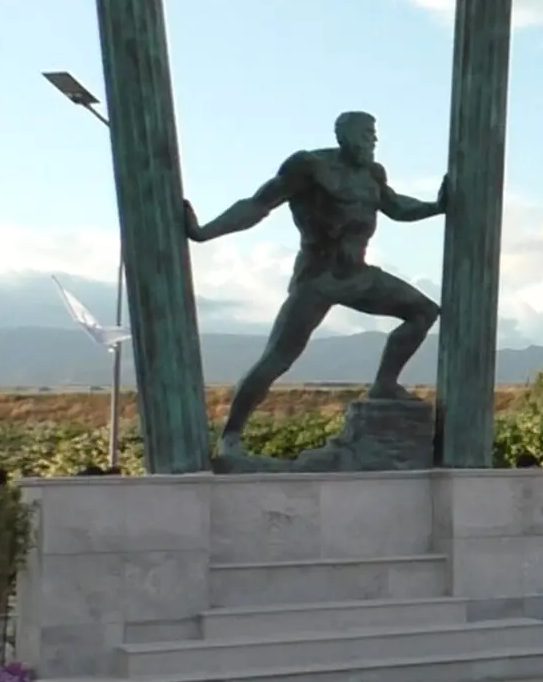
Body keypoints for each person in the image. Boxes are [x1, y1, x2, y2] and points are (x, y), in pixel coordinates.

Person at [184, 111, 446, 455]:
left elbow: (397, 207)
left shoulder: (372, 174)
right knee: (278, 358)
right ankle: (231, 435)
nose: (373, 141)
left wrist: (437, 206)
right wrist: (204, 233)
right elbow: (257, 205)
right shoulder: (309, 166)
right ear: (345, 136)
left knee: (423, 311)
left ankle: (384, 384)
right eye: (367, 134)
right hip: (318, 278)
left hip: (357, 274)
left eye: (375, 134)